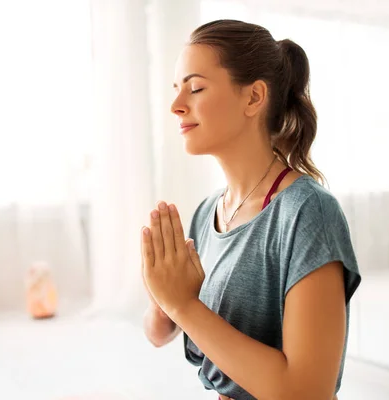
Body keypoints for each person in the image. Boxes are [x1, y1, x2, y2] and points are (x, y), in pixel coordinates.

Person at [140, 19, 361, 400]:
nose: (176, 106)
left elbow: (308, 392)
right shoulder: (208, 212)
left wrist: (183, 304)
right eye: (176, 90)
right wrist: (163, 301)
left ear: (254, 98)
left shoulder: (308, 214)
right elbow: (159, 333)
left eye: (195, 88)